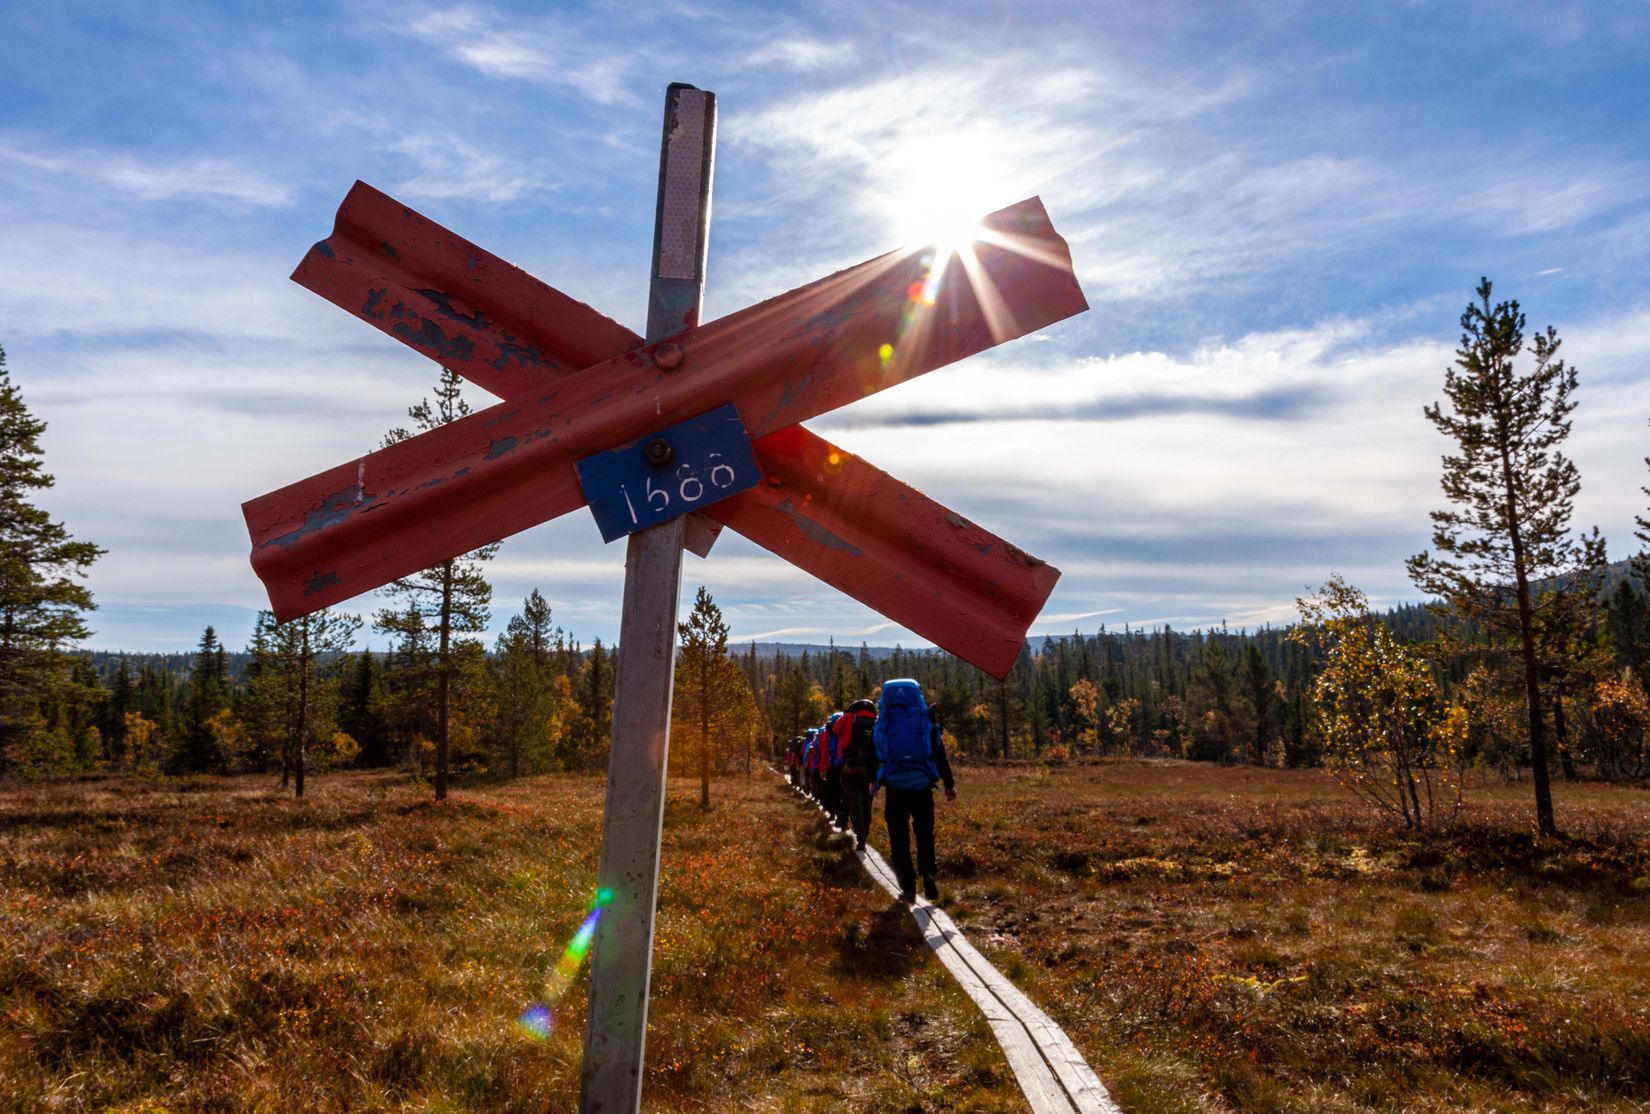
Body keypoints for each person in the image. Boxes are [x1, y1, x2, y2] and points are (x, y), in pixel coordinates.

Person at [872, 678, 956, 903]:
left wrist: (875, 781)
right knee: (924, 832)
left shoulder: (884, 721)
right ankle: (928, 873)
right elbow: (939, 753)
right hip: (922, 785)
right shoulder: (924, 719)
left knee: (898, 837)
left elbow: (877, 752)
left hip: (896, 787)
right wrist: (949, 784)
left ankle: (908, 887)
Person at [834, 697, 877, 850]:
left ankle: (860, 837)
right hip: (870, 770)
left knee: (855, 803)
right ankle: (865, 833)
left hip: (851, 769)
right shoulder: (876, 721)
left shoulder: (848, 718)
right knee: (867, 803)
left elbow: (836, 731)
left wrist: (846, 716)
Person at [817, 711, 847, 830]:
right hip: (845, 767)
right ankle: (843, 816)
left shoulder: (827, 735)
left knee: (834, 791)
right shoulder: (847, 731)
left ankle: (835, 813)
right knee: (844, 793)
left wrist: (822, 768)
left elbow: (824, 752)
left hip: (833, 768)